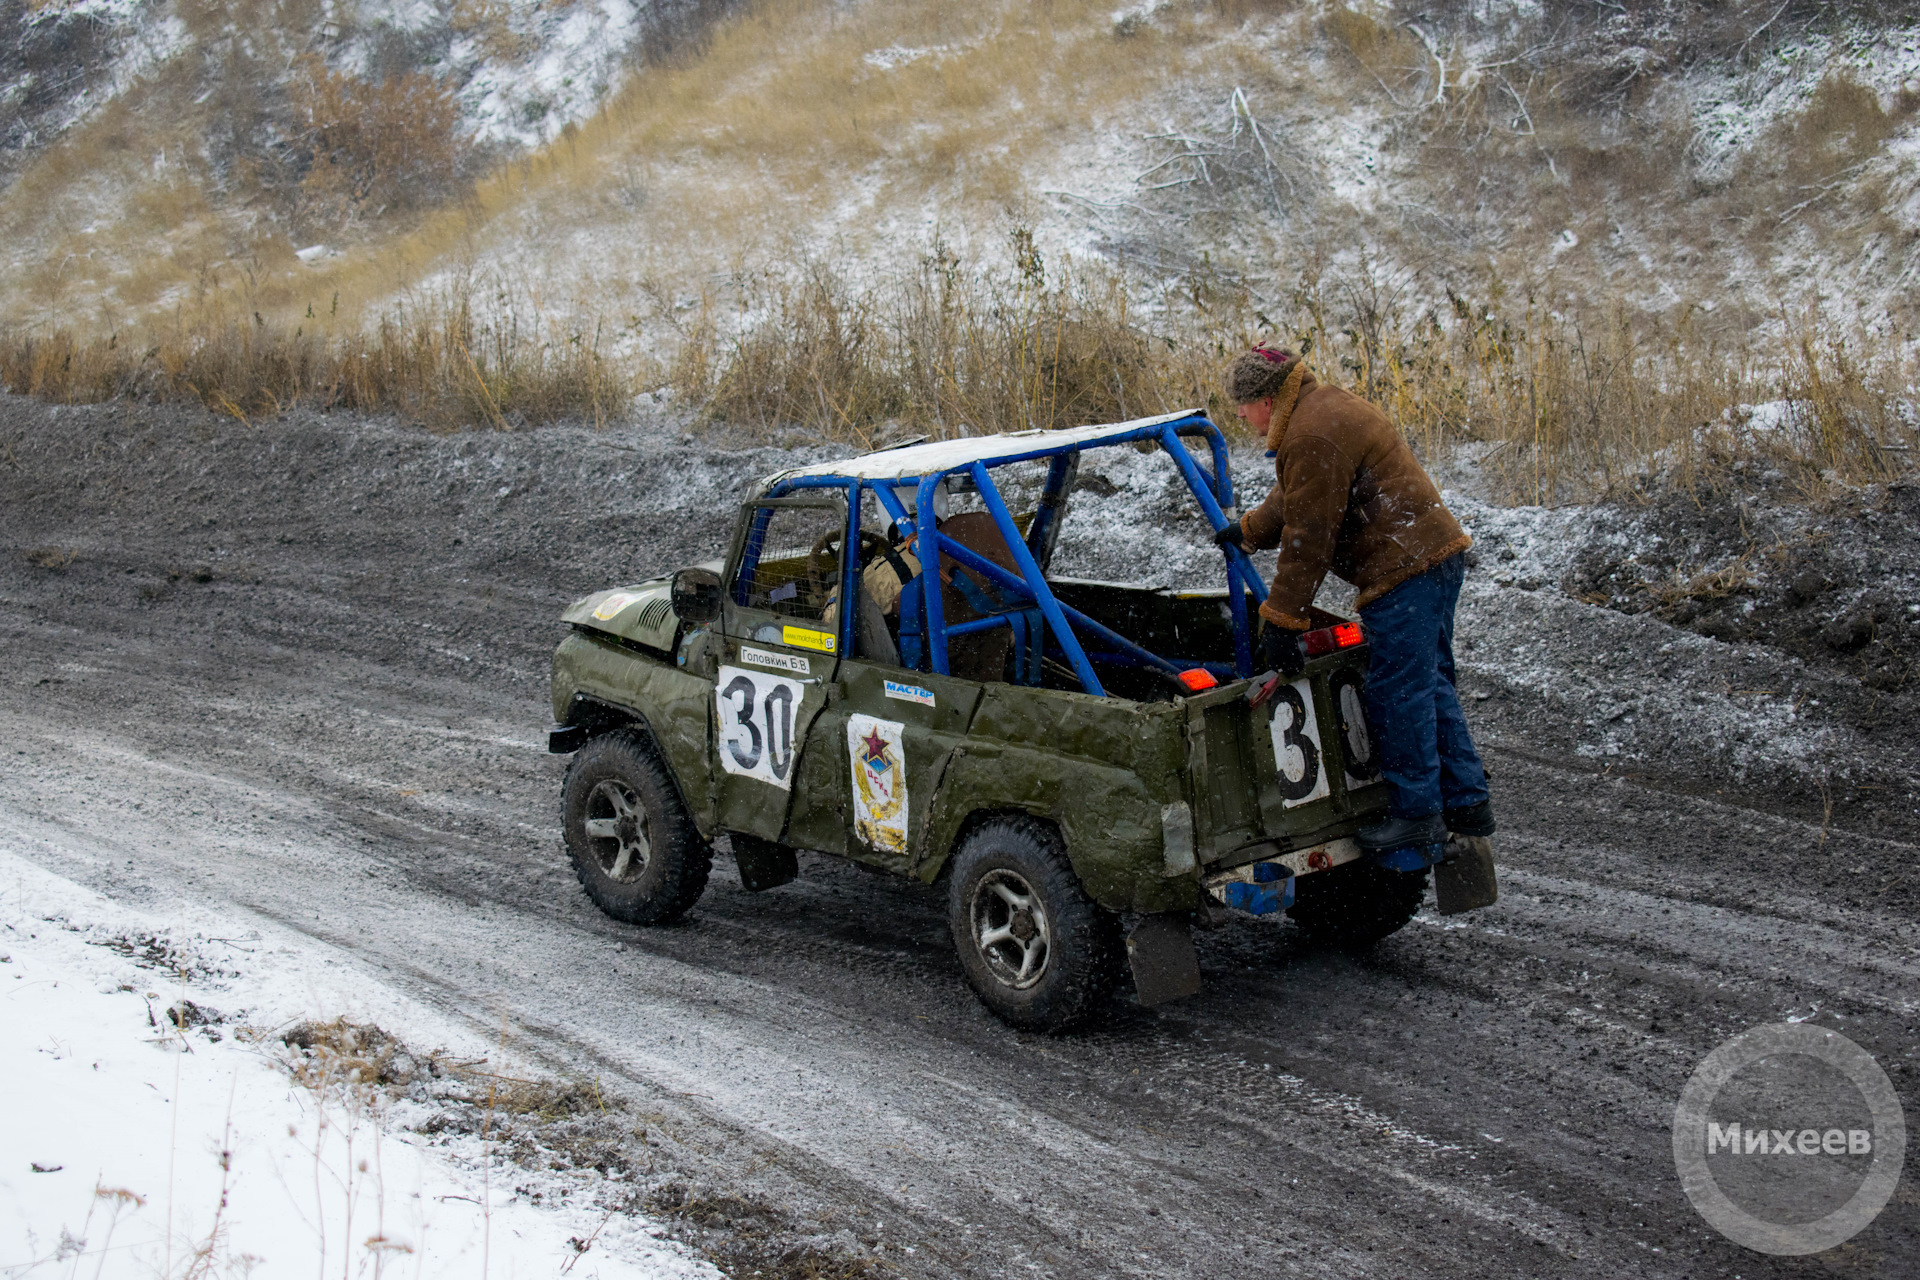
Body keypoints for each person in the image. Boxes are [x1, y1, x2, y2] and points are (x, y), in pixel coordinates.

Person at [1214, 345, 1494, 851]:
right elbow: (1300, 495)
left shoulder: (1313, 431)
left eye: (1243, 404)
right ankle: (1467, 800)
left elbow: (1310, 537)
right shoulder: (1322, 410)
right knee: (1427, 682)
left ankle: (1418, 815)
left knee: (1397, 692)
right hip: (1432, 556)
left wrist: (1281, 621)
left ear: (1267, 399)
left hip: (1405, 569)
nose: (1239, 416)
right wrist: (1251, 529)